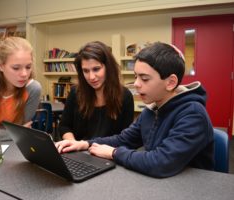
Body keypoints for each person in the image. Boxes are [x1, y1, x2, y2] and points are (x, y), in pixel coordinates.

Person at [56, 42, 214, 178]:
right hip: (163, 181)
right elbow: (123, 139)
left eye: (144, 78)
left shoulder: (193, 114)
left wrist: (114, 153)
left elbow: (161, 162)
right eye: (136, 77)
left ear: (171, 82)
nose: (136, 84)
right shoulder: (152, 110)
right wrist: (84, 144)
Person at [58, 41, 134, 140]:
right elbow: (64, 126)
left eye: (96, 69)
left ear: (108, 67)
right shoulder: (75, 92)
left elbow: (126, 138)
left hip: (108, 153)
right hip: (78, 153)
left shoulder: (125, 96)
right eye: (86, 71)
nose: (91, 77)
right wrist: (72, 143)